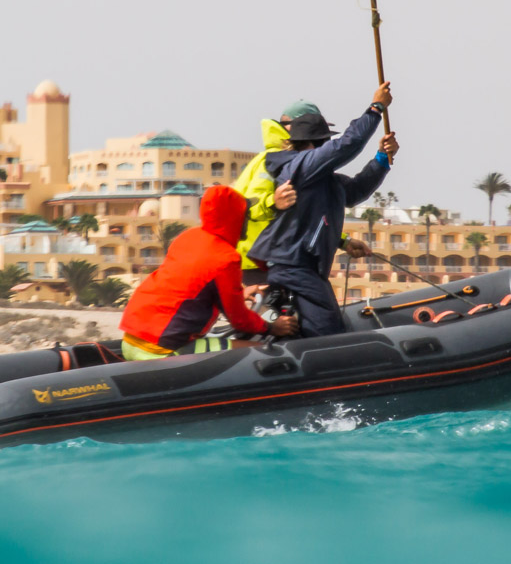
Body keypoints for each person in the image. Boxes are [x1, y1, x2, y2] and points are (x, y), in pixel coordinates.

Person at [247, 83, 399, 337]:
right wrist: (376, 108)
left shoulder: (322, 178)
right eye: (321, 144)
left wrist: (381, 158)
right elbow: (346, 146)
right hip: (292, 265)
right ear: (309, 145)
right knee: (327, 327)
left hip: (301, 266)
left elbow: (355, 192)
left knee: (316, 324)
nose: (324, 150)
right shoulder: (300, 166)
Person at [119, 184, 298, 359]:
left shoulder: (188, 237)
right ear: (235, 217)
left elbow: (189, 286)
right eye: (245, 214)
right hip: (159, 350)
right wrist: (272, 327)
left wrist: (240, 293)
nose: (247, 219)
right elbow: (239, 320)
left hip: (131, 339)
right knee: (262, 353)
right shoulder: (226, 257)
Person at [232, 100, 315, 283]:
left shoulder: (288, 159)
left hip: (270, 261)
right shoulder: (274, 161)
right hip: (255, 263)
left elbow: (305, 215)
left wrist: (343, 241)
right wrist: (273, 202)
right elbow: (248, 204)